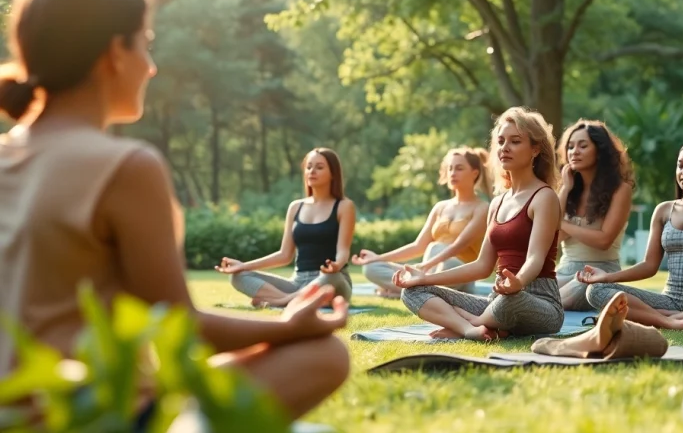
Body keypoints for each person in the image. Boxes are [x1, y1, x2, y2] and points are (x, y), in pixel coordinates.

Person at [0, 0, 349, 423]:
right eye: (145, 44)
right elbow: (180, 325)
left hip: (10, 415)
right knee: (326, 356)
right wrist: (288, 328)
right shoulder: (125, 166)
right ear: (113, 53)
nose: (152, 67)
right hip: (86, 424)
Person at [394, 107, 563, 341]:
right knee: (412, 292)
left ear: (535, 149)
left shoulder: (544, 197)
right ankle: (471, 329)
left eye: (515, 141)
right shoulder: (496, 203)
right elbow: (482, 266)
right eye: (501, 141)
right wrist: (423, 277)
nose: (505, 148)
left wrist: (519, 282)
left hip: (538, 302)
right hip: (497, 299)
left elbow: (535, 257)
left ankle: (471, 320)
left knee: (509, 302)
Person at [577, 142, 683, 330]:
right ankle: (668, 320)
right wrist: (607, 277)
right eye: (680, 165)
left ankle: (660, 318)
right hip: (668, 300)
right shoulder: (663, 210)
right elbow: (649, 266)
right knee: (595, 291)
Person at [215, 148, 356, 307]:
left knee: (333, 277)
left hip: (331, 281)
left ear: (333, 173)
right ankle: (291, 300)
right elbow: (284, 255)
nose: (312, 171)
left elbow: (343, 250)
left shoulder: (344, 206)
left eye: (319, 167)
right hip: (298, 283)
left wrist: (337, 264)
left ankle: (280, 301)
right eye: (309, 167)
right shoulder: (295, 207)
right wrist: (242, 266)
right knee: (238, 276)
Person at [351, 147, 490, 298]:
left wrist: (424, 267)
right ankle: (421, 290)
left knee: (438, 249)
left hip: (458, 272)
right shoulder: (440, 207)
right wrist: (377, 258)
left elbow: (458, 246)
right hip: (430, 272)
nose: (452, 173)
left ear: (475, 173)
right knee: (371, 268)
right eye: (450, 168)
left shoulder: (482, 208)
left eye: (459, 168)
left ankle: (408, 290)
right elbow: (418, 246)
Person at [554, 120, 634, 310]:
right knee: (528, 284)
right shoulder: (568, 190)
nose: (574, 152)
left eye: (583, 146)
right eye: (570, 147)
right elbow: (552, 238)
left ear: (600, 151)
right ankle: (543, 304)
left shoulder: (620, 190)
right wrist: (565, 189)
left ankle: (544, 306)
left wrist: (561, 223)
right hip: (565, 272)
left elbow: (604, 240)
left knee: (583, 287)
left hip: (599, 273)